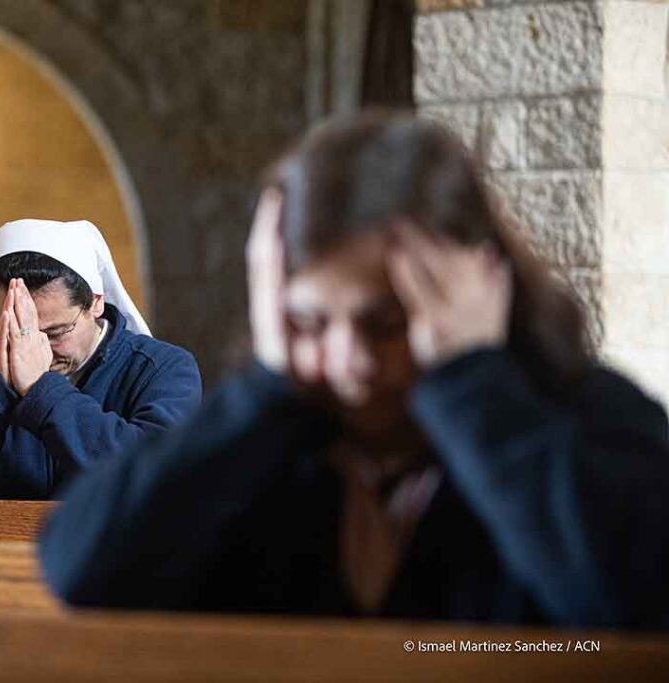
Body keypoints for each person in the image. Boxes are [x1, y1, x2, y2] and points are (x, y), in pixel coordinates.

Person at [38, 114, 669, 629]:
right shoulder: (264, 437)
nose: (350, 363)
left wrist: (471, 383)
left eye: (388, 322)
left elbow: (636, 599)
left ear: (476, 291)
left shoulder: (587, 417)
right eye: (312, 324)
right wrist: (268, 381)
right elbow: (82, 569)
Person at [0, 219, 202, 499]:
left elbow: (153, 479)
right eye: (18, 329)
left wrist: (40, 388)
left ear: (95, 303)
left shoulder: (162, 370)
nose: (39, 349)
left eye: (56, 331)